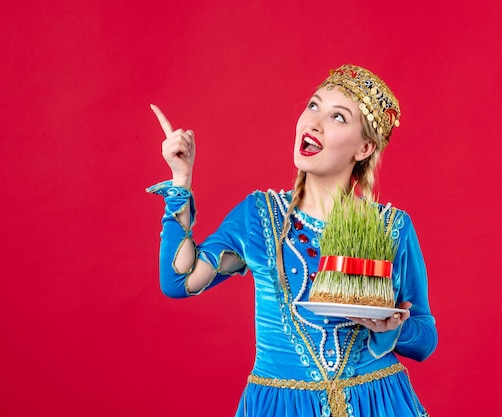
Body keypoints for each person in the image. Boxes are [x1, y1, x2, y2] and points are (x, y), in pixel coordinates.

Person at [147, 64, 437, 417]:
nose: (314, 122)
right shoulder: (258, 216)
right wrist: (181, 182)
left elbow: (425, 339)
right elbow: (179, 281)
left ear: (363, 148)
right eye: (313, 106)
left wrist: (393, 327)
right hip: (282, 406)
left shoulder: (391, 227)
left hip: (378, 402)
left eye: (338, 117)